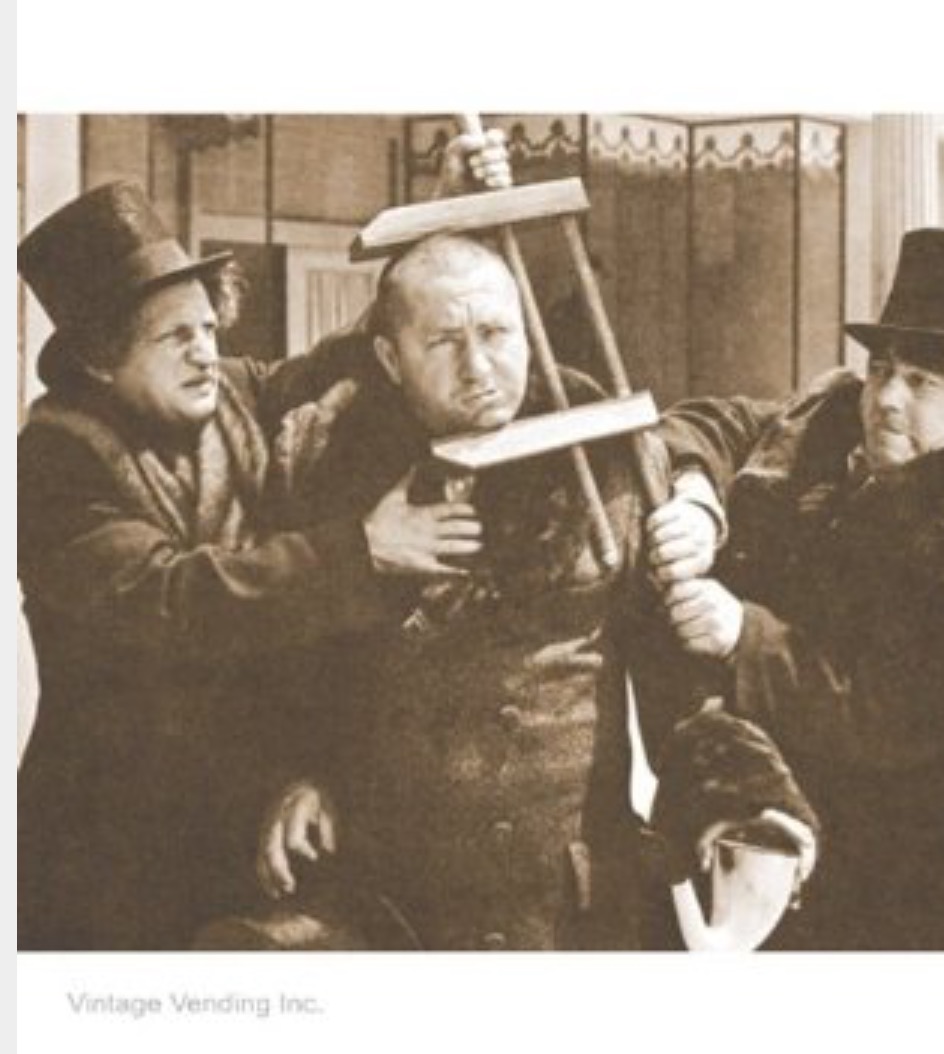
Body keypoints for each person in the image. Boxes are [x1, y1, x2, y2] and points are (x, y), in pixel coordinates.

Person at [230, 231, 819, 952]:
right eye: (444, 342)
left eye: (496, 333)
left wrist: (744, 804)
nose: (478, 367)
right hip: (392, 905)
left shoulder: (601, 452)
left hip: (569, 907)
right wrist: (297, 772)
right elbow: (289, 666)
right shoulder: (330, 462)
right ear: (389, 357)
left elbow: (678, 684)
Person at [16, 131, 513, 950]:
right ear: (101, 361)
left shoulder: (230, 398)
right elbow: (170, 601)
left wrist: (434, 216)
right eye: (174, 337)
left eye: (209, 328)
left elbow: (350, 356)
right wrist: (359, 551)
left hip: (240, 819)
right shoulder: (54, 462)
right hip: (107, 840)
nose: (205, 354)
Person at [655, 228, 944, 950]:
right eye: (881, 370)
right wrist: (696, 496)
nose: (888, 399)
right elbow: (705, 423)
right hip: (740, 814)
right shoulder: (824, 425)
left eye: (923, 382)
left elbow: (889, 713)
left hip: (891, 864)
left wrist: (742, 634)